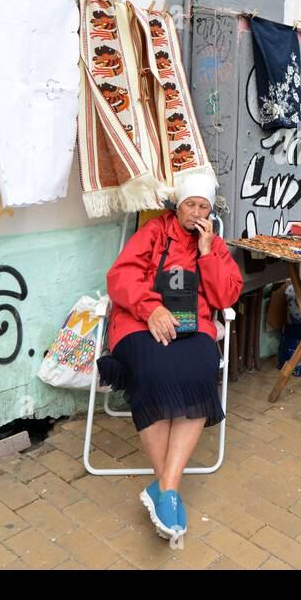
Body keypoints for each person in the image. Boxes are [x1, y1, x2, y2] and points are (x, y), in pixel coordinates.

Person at [98, 173, 243, 543]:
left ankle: (166, 488)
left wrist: (208, 253)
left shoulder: (215, 245)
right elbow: (120, 277)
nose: (196, 212)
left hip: (193, 327)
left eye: (203, 207)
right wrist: (150, 309)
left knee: (200, 370)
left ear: (211, 211)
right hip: (139, 322)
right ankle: (169, 490)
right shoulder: (152, 233)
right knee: (153, 371)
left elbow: (226, 296)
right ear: (177, 207)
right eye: (190, 205)